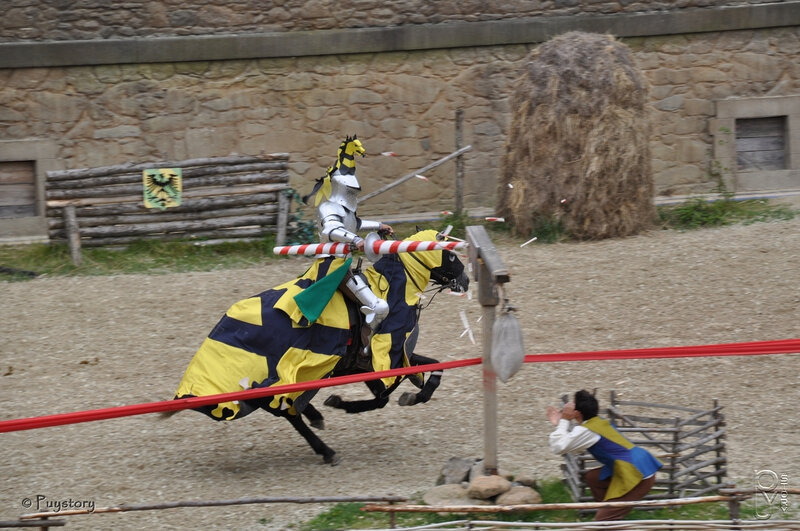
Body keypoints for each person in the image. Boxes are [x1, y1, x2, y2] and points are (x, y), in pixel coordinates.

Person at [303, 135, 393, 330]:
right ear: (341, 188)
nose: (353, 195)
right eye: (351, 191)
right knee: (379, 307)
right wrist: (356, 240)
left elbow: (356, 224)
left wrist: (379, 226)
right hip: (332, 265)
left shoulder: (346, 212)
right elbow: (333, 229)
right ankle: (366, 351)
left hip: (344, 263)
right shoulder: (328, 207)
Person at [546, 390, 663, 521]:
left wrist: (563, 421)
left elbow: (559, 447)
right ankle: (610, 511)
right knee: (593, 478)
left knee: (601, 523)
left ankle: (608, 518)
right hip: (639, 465)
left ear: (577, 413)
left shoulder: (587, 430)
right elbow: (573, 445)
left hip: (638, 475)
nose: (567, 408)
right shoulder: (597, 423)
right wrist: (560, 425)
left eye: (571, 406)